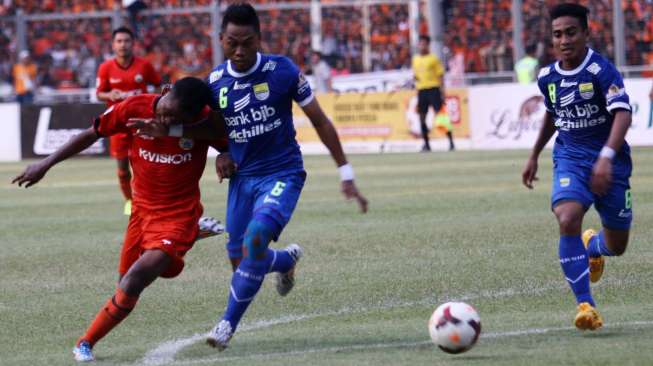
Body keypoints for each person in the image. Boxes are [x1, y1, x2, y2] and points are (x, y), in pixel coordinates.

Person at [130, 3, 368, 351]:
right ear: (221, 39)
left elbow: (319, 120)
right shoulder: (214, 83)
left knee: (256, 238)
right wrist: (212, 147)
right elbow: (211, 128)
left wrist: (345, 172)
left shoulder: (283, 71)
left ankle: (226, 324)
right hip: (243, 180)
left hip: (282, 173)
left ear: (259, 38)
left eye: (247, 43)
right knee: (241, 261)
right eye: (232, 43)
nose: (239, 51)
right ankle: (285, 260)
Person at [13, 77, 227, 362]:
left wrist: (225, 154)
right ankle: (192, 235)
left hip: (178, 214)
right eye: (164, 109)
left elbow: (230, 140)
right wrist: (46, 163)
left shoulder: (204, 122)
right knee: (125, 281)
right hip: (142, 211)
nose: (162, 118)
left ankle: (84, 342)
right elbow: (92, 133)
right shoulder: (134, 108)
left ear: (190, 116)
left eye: (172, 118)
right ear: (165, 93)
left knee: (137, 278)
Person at [522, 3, 633, 331]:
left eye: (571, 32)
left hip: (610, 163)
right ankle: (586, 306)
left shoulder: (601, 71)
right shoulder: (547, 77)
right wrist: (534, 154)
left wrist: (606, 158)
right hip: (570, 157)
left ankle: (593, 247)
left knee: (617, 246)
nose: (564, 40)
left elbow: (623, 113)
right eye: (557, 34)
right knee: (567, 217)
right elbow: (554, 115)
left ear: (586, 33)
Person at [96, 26, 161, 215]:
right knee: (123, 169)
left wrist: (153, 102)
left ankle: (152, 199)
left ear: (133, 44)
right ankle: (130, 201)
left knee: (149, 164)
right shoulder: (105, 67)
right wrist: (110, 93)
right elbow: (99, 94)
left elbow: (160, 85)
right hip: (117, 125)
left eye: (126, 41)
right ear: (113, 45)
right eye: (119, 41)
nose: (123, 45)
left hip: (142, 123)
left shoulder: (144, 66)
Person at [412, 35, 454, 151]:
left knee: (441, 116)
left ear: (428, 45)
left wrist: (442, 91)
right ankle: (426, 144)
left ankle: (451, 141)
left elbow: (440, 75)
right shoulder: (415, 59)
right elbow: (416, 76)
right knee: (422, 118)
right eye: (420, 44)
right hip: (422, 91)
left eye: (424, 44)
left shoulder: (433, 59)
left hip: (433, 89)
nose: (422, 46)